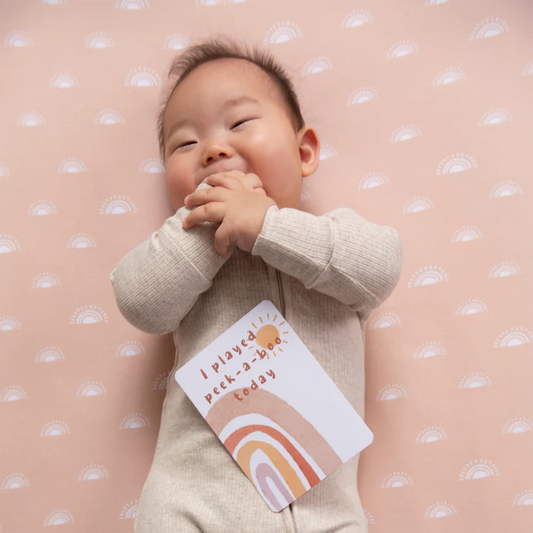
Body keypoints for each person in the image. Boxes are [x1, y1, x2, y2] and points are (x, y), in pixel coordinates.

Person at [110, 34, 403, 533]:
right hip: (192, 504)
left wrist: (267, 225)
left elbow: (381, 266)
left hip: (327, 514)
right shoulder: (181, 257)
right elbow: (138, 302)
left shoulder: (331, 238)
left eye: (240, 123)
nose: (213, 149)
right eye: (185, 143)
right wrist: (207, 228)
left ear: (304, 151)